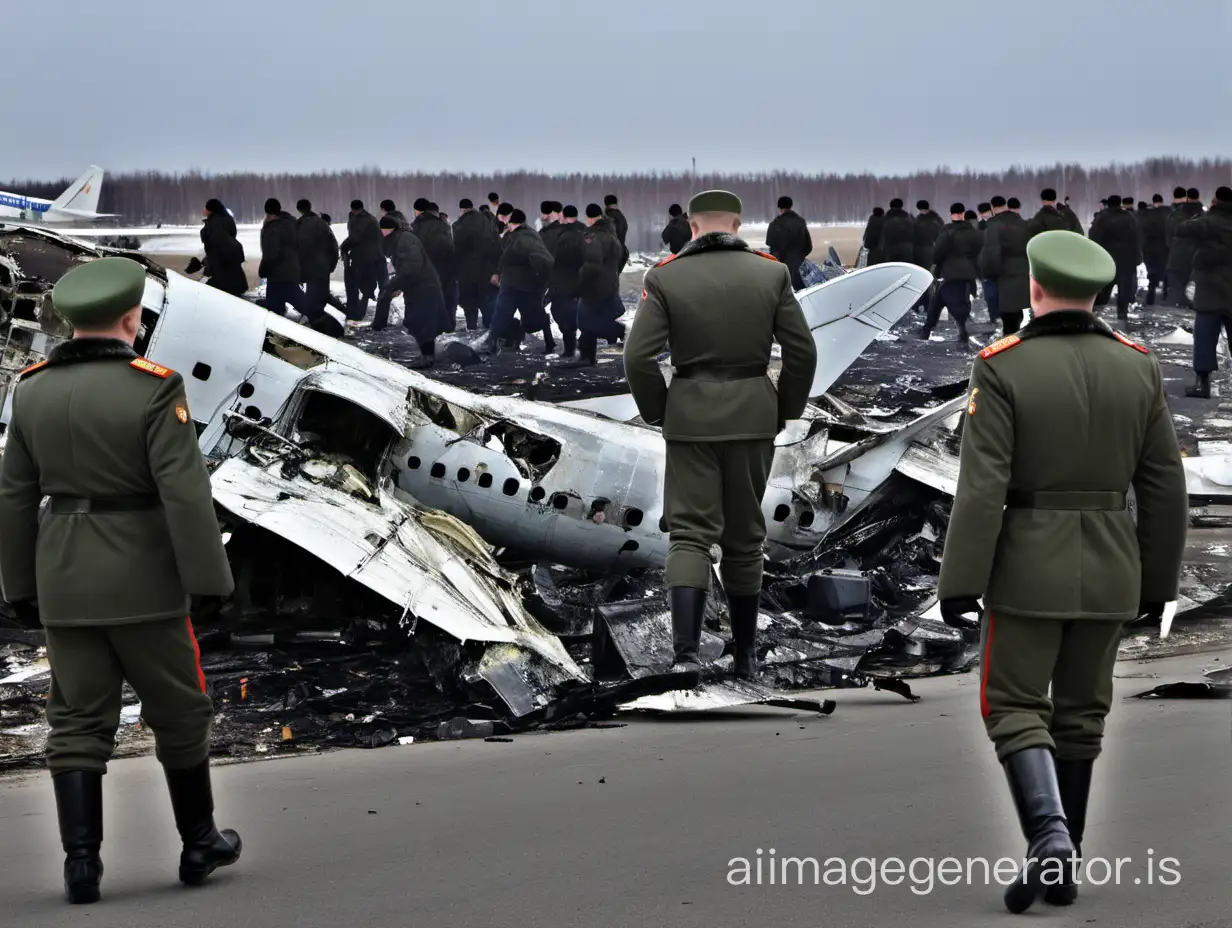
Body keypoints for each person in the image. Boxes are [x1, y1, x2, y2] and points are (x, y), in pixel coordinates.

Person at [937, 230, 1187, 914]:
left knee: (1014, 707)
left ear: (1036, 288)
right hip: (1111, 568)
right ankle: (1064, 863)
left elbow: (982, 486)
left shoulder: (1002, 365)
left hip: (1026, 569)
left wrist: (959, 582)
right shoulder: (1137, 366)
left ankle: (1048, 837)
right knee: (1081, 717)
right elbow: (1164, 487)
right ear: (1099, 293)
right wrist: (1158, 586)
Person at [0, 258, 242, 904]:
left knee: (77, 720)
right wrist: (209, 580)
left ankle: (82, 864)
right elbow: (184, 494)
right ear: (132, 320)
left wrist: (18, 586)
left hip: (64, 579)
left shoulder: (32, 388)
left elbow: (15, 497)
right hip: (144, 582)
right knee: (180, 711)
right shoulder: (154, 389)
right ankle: (198, 842)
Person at [623, 190, 817, 687]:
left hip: (691, 417)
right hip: (753, 415)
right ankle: (745, 656)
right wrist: (783, 407)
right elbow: (802, 351)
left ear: (691, 226)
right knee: (745, 536)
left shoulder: (664, 276)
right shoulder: (771, 273)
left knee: (689, 535)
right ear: (737, 223)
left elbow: (638, 358)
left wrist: (659, 409)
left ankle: (686, 656)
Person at [1175, 186, 1232, 398]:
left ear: (1215, 201)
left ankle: (1203, 384)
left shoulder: (1208, 222)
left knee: (1205, 337)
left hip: (1210, 290)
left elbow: (1182, 229)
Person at [557, 204, 625, 368]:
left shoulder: (592, 236)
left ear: (590, 218)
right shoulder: (611, 235)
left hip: (594, 286)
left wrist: (578, 284)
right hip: (609, 284)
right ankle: (588, 356)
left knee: (585, 321)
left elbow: (592, 264)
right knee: (591, 320)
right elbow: (624, 255)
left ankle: (614, 335)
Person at [373, 216, 445, 368]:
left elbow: (411, 268)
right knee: (416, 321)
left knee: (421, 322)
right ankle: (427, 356)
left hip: (424, 287)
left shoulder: (405, 241)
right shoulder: (400, 239)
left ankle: (428, 358)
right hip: (417, 287)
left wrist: (393, 285)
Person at [486, 209, 555, 355]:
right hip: (520, 284)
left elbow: (544, 260)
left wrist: (539, 279)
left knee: (503, 313)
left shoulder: (523, 238)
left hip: (516, 284)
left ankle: (491, 343)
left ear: (512, 223)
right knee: (533, 313)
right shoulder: (522, 235)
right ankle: (548, 341)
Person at [922, 202, 982, 343]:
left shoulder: (947, 231)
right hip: (967, 271)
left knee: (947, 301)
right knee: (954, 300)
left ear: (951, 214)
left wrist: (936, 262)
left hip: (949, 271)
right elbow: (978, 249)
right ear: (963, 213)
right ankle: (928, 330)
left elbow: (938, 252)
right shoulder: (972, 231)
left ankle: (959, 332)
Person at [980, 196, 1030, 334]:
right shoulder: (1022, 223)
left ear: (992, 207)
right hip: (1024, 271)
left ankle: (1010, 348)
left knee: (1008, 317)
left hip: (1005, 274)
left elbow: (992, 252)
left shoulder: (994, 225)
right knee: (1020, 313)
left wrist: (989, 273)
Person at [1089, 195, 1141, 320]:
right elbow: (1137, 238)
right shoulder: (1130, 218)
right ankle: (1122, 314)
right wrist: (1137, 258)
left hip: (1106, 259)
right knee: (1124, 290)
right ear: (1120, 203)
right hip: (1126, 260)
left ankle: (1095, 314)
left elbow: (1093, 237)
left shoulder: (1101, 218)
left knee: (1103, 289)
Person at [410, 198, 458, 335]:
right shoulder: (444, 224)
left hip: (427, 267)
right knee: (448, 298)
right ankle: (448, 327)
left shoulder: (417, 225)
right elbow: (450, 246)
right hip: (447, 267)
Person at [296, 198, 345, 326]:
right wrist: (331, 265)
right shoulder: (322, 224)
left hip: (307, 268)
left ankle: (318, 322)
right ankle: (322, 319)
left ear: (299, 210)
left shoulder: (298, 226)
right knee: (321, 295)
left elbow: (295, 248)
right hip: (323, 267)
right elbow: (333, 246)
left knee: (314, 296)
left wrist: (298, 270)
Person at [257, 198, 310, 317]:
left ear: (268, 212)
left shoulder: (273, 228)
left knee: (301, 303)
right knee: (276, 302)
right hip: (290, 269)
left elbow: (271, 253)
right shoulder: (290, 223)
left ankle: (322, 321)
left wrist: (263, 269)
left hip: (279, 273)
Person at [453, 198, 501, 330]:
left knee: (470, 306)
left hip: (466, 272)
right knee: (487, 304)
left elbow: (457, 249)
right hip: (486, 270)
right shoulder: (487, 222)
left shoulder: (459, 225)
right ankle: (489, 331)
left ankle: (471, 329)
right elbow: (497, 245)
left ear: (462, 210)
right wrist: (496, 270)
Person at [548, 204, 587, 359]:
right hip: (581, 279)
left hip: (564, 280)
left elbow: (558, 258)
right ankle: (577, 344)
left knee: (559, 312)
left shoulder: (564, 235)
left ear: (564, 216)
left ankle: (571, 347)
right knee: (575, 312)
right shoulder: (585, 231)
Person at [339, 199, 382, 322]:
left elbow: (355, 237)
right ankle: (355, 311)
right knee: (360, 285)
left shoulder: (365, 220)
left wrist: (344, 246)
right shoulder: (367, 218)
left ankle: (356, 313)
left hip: (363, 257)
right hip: (362, 256)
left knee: (357, 285)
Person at [195, 199, 248, 296]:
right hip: (231, 264)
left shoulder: (214, 225)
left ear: (211, 210)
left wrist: (209, 265)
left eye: (206, 208)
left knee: (210, 293)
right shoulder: (227, 220)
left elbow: (217, 247)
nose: (203, 210)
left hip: (222, 266)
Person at [1165, 187, 1205, 307]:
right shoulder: (1205, 216)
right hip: (1198, 259)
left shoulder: (1174, 215)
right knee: (1195, 292)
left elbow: (1168, 239)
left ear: (1187, 198)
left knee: (1177, 293)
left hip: (1177, 258)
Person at [765, 195, 813, 289]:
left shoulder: (774, 224)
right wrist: (799, 257)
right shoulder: (800, 222)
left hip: (781, 267)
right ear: (791, 206)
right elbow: (808, 246)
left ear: (779, 208)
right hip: (798, 265)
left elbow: (770, 244)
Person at [1140, 194, 1170, 306]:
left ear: (1153, 202)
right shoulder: (1169, 213)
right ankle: (1165, 297)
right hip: (1165, 249)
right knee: (1166, 273)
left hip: (1151, 250)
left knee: (1152, 277)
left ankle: (1150, 298)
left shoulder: (1147, 215)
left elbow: (1143, 232)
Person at [878, 198, 915, 264]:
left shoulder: (886, 218)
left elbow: (880, 235)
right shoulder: (908, 218)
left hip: (890, 248)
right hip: (907, 249)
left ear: (890, 206)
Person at [604, 194, 630, 272]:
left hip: (610, 253)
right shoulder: (621, 217)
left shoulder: (607, 217)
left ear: (606, 204)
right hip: (621, 251)